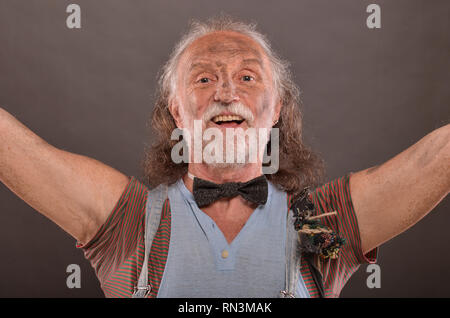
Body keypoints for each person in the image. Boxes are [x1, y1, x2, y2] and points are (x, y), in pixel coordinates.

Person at [0, 16, 448, 298]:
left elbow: (437, 159)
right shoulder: (131, 222)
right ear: (176, 110)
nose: (227, 92)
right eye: (203, 79)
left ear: (276, 110)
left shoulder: (318, 223)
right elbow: (18, 151)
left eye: (248, 77)